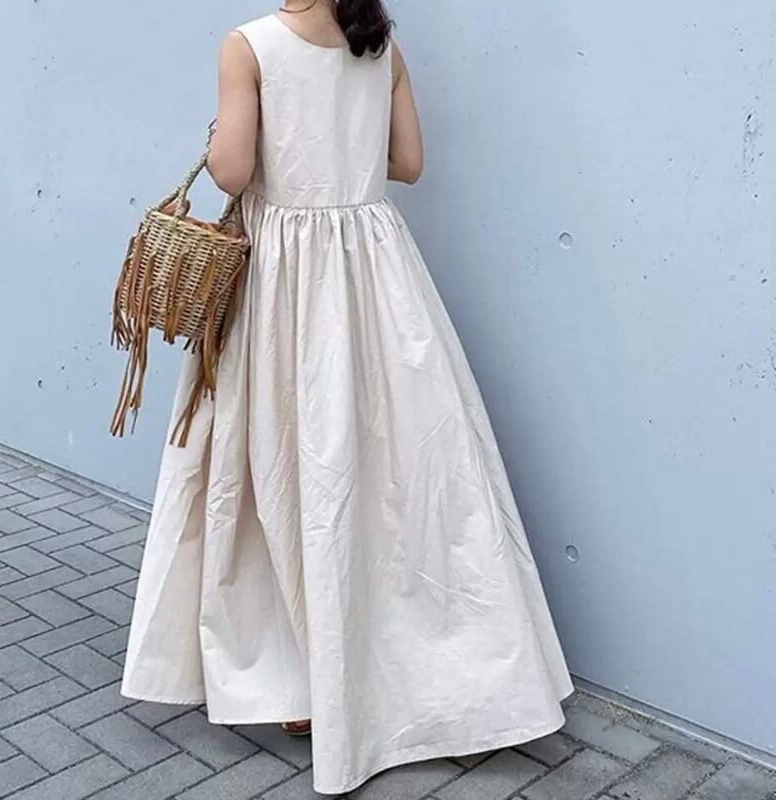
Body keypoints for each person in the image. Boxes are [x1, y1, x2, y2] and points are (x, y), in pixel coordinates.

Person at [121, 0, 574, 793]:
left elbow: (232, 172)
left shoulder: (248, 45)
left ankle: (301, 679)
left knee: (281, 464)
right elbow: (409, 163)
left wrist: (234, 136)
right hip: (374, 269)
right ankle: (432, 672)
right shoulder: (381, 44)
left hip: (284, 278)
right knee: (392, 473)